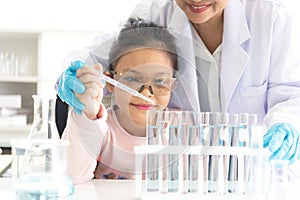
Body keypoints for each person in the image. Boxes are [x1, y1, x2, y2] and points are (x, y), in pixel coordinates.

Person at [57, 0, 300, 166]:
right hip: (183, 177)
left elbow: (292, 94)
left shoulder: (271, 17)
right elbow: (100, 56)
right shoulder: (155, 12)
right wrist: (72, 74)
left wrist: (287, 126)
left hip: (256, 176)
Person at [61, 17, 178, 183]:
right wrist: (88, 115)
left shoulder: (183, 129)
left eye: (159, 81)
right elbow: (71, 178)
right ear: (111, 84)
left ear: (172, 86)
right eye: (133, 79)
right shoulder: (99, 125)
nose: (145, 93)